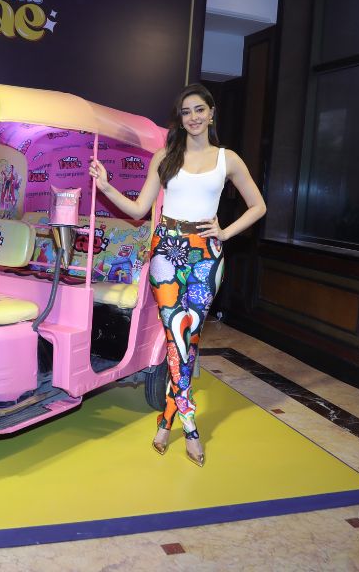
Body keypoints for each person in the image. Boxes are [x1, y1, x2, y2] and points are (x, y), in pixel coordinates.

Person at [88, 83, 266, 467]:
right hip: (166, 251)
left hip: (207, 255)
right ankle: (191, 427)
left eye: (199, 109)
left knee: (188, 339)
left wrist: (225, 232)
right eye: (186, 112)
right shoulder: (165, 157)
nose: (193, 117)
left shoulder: (228, 159)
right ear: (180, 119)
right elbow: (138, 209)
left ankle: (166, 421)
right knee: (175, 338)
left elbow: (258, 206)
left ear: (212, 113)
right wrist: (105, 186)